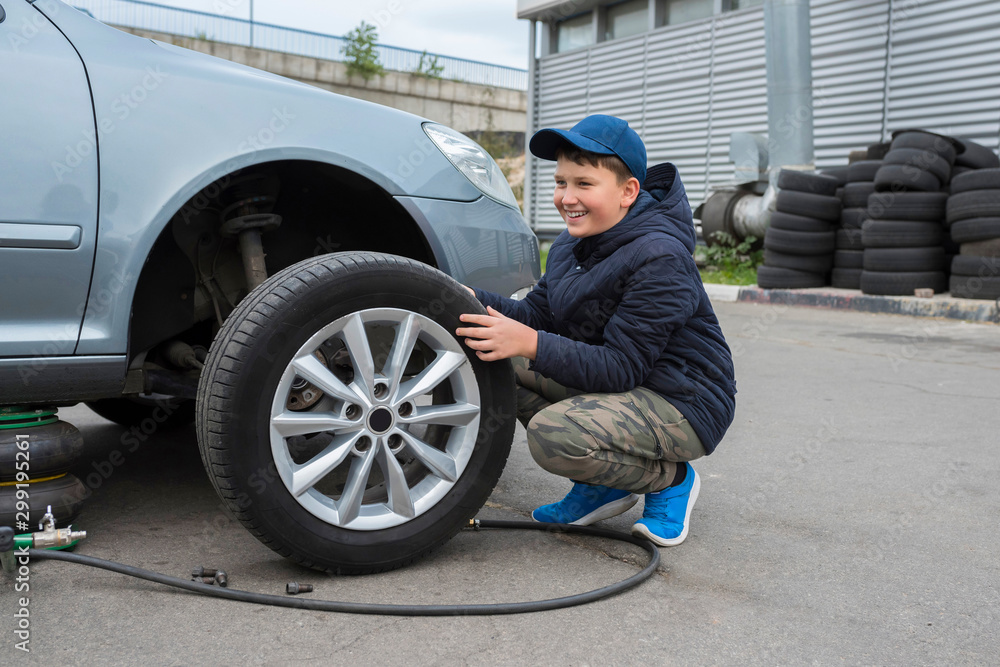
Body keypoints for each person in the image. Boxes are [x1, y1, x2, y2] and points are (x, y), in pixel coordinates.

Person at [456, 114, 736, 547]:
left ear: (628, 192)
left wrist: (529, 343)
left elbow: (620, 367)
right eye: (560, 182)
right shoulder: (571, 244)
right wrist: (464, 297)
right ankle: (603, 483)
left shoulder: (660, 256)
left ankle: (670, 480)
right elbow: (537, 315)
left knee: (556, 435)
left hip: (682, 401)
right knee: (490, 356)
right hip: (627, 386)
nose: (566, 197)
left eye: (584, 184)